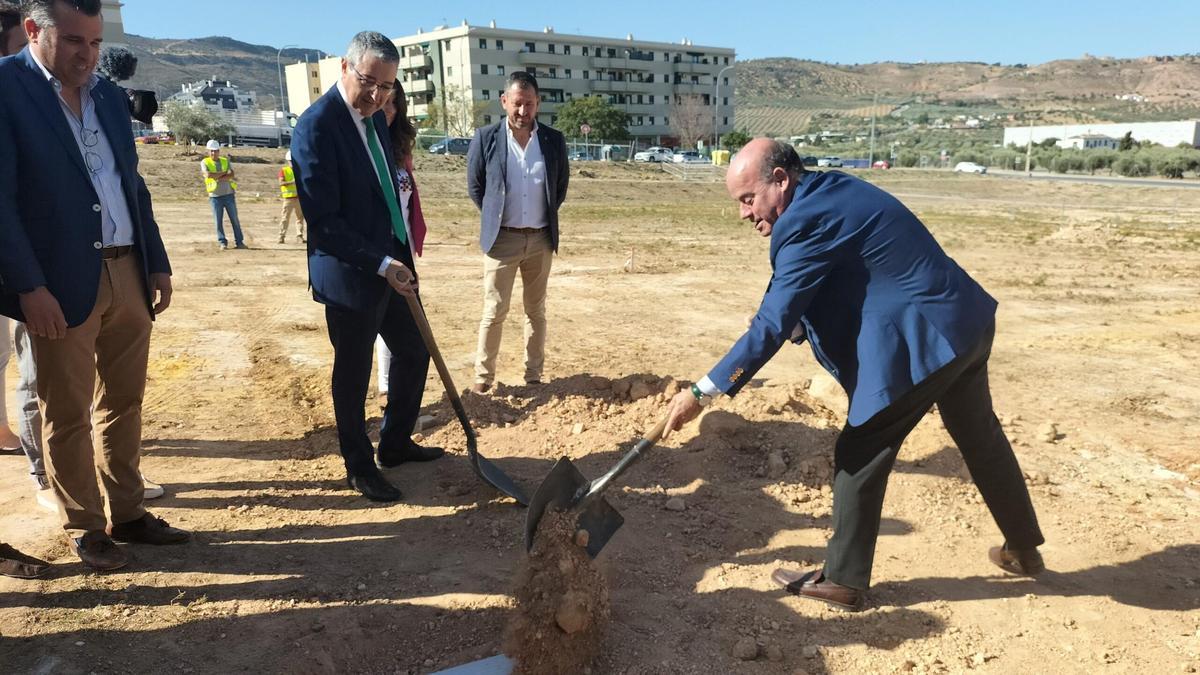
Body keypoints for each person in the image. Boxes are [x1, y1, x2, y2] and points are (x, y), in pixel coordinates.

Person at [662, 139, 1045, 611]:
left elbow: (771, 322)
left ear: (780, 181)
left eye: (748, 199)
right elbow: (843, 279)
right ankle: (1023, 548)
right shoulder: (829, 191)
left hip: (926, 339)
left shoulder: (802, 222)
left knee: (861, 447)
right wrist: (793, 324)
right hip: (965, 323)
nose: (743, 214)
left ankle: (843, 579)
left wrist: (702, 392)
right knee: (979, 436)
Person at [0, 0, 191, 572]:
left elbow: (131, 183)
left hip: (127, 270)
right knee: (67, 410)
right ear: (34, 31)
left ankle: (129, 513)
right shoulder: (6, 90)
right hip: (57, 285)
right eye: (75, 42)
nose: (88, 55)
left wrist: (155, 260)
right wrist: (28, 287)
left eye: (96, 43)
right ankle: (85, 525)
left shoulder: (106, 95)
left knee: (125, 401)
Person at [291, 31, 443, 503]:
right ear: (344, 67)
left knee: (414, 352)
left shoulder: (376, 118)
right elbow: (325, 222)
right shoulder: (316, 127)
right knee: (353, 374)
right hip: (350, 275)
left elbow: (385, 195)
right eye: (369, 82)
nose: (377, 96)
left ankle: (394, 444)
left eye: (387, 87)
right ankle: (359, 465)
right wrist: (381, 263)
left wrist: (400, 257)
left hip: (391, 265)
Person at [466, 71, 569, 394]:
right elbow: (476, 186)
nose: (523, 112)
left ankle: (533, 375)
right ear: (504, 102)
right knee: (494, 310)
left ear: (537, 104)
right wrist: (497, 217)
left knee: (535, 311)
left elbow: (560, 188)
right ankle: (484, 378)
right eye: (517, 104)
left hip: (540, 240)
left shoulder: (553, 141)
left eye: (529, 104)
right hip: (502, 240)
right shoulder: (486, 138)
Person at [372, 78, 426, 409]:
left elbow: (407, 199)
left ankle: (398, 399)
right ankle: (385, 388)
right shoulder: (364, 145)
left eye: (394, 104)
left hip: (401, 245)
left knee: (405, 320)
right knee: (384, 321)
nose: (387, 110)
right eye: (383, 102)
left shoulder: (400, 147)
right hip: (377, 250)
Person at [201, 138, 245, 250]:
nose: (213, 153)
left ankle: (239, 242)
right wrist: (224, 174)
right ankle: (222, 242)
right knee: (218, 221)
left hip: (229, 194)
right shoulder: (205, 162)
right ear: (208, 151)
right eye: (211, 151)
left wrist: (217, 176)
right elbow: (208, 175)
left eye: (215, 150)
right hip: (215, 196)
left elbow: (231, 175)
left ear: (219, 151)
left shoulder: (225, 161)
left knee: (234, 219)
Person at [277, 149, 305, 244]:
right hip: (288, 199)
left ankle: (299, 236)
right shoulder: (284, 171)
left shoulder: (300, 171)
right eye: (291, 161)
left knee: (300, 218)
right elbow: (281, 183)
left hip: (298, 198)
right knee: (285, 218)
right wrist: (292, 182)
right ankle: (281, 236)